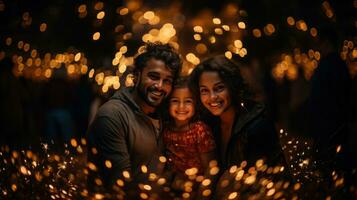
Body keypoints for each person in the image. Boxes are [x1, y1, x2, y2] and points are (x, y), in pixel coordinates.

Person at [87, 42, 182, 195]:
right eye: (153, 76)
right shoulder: (112, 115)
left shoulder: (167, 114)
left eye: (167, 81)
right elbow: (120, 186)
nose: (159, 86)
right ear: (137, 75)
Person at [189, 55, 284, 170]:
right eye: (204, 90)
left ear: (233, 87)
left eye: (219, 88)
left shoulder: (257, 126)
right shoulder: (207, 125)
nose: (212, 97)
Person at [163, 77, 216, 198]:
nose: (181, 107)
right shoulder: (165, 129)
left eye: (188, 101)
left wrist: (203, 193)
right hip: (174, 189)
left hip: (197, 189)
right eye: (175, 101)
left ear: (196, 104)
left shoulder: (199, 130)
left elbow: (211, 167)